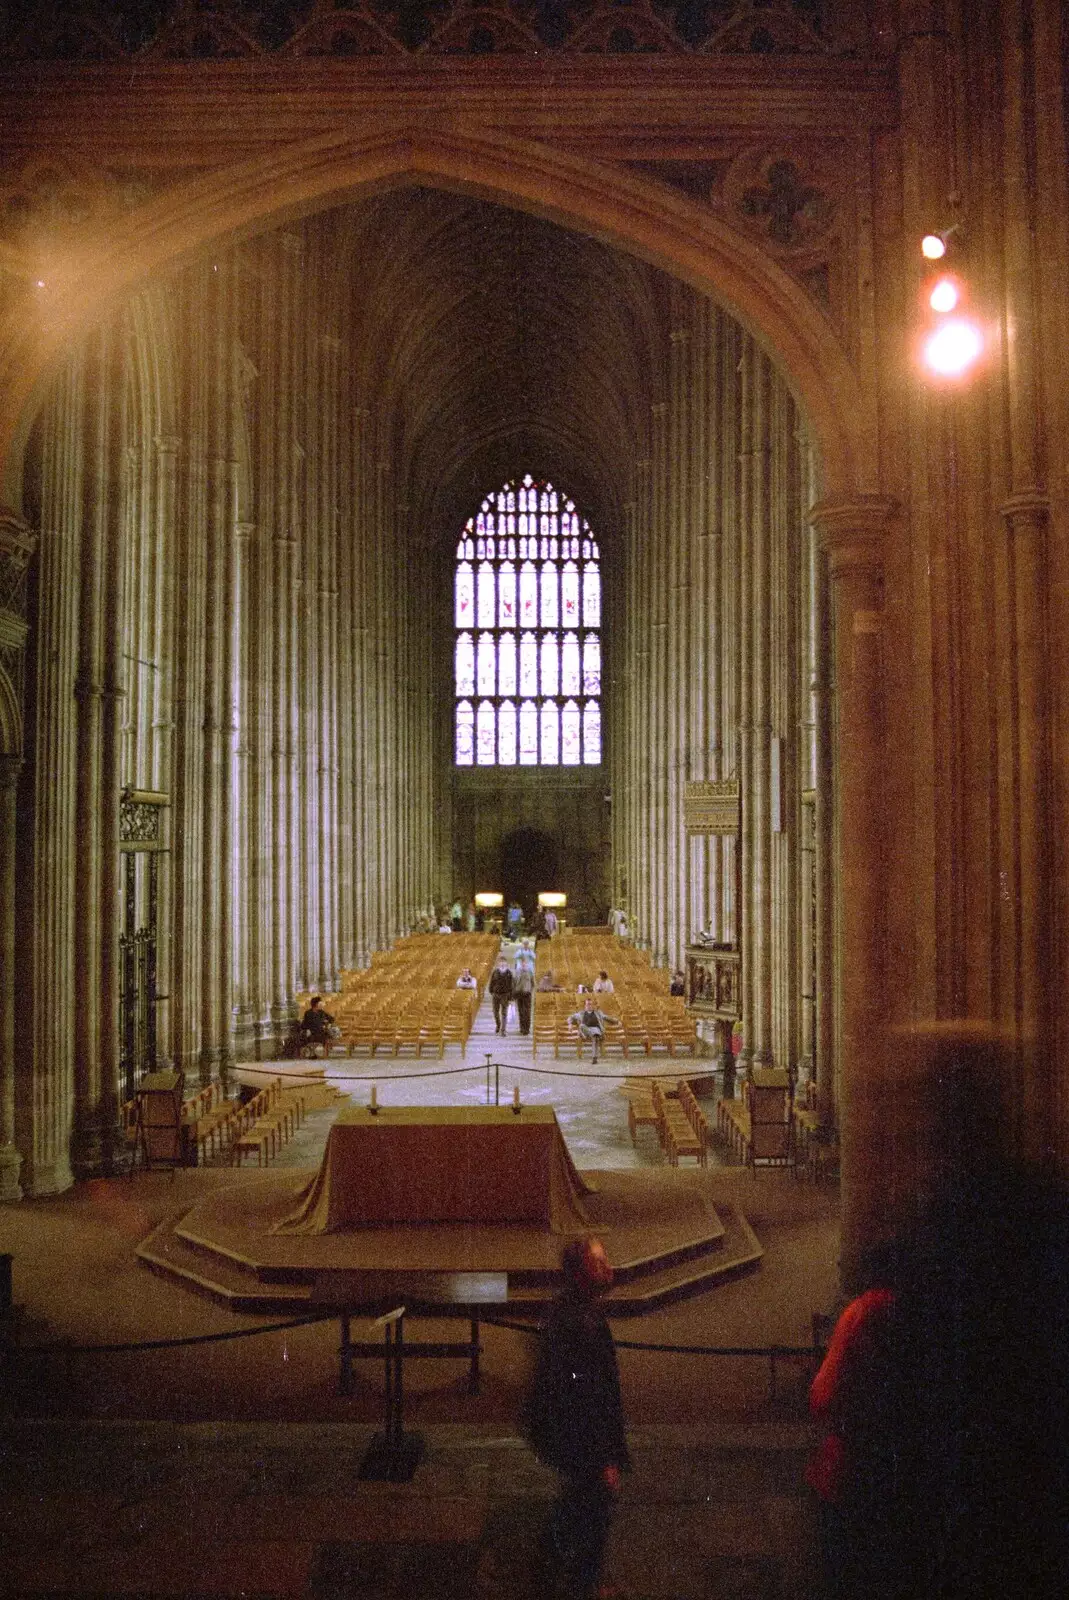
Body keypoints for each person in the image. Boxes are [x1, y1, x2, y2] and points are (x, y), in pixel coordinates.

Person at [522, 1236, 629, 1600]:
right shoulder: (581, 1322)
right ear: (583, 1272)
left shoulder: (571, 1309)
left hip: (570, 1436)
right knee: (594, 1511)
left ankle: (551, 1563)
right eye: (599, 1262)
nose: (609, 1267)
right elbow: (588, 1396)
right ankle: (584, 1584)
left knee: (577, 1502)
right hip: (583, 1439)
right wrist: (605, 1457)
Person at [567, 1000, 618, 1064]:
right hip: (585, 1031)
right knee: (582, 1025)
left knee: (595, 1037)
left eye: (591, 1004)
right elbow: (570, 1017)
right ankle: (594, 1035)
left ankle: (594, 1058)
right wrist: (570, 1024)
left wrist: (617, 1021)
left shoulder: (598, 1013)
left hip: (596, 1029)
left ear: (593, 1006)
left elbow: (607, 1018)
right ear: (585, 1006)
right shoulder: (581, 1013)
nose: (589, 1006)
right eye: (588, 1004)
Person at [488, 958, 513, 1035]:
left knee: (504, 1013)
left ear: (506, 964)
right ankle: (498, 1025)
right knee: (495, 1012)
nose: (502, 964)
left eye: (504, 963)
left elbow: (511, 985)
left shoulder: (509, 973)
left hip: (505, 995)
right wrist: (491, 991)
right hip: (496, 994)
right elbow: (491, 982)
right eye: (501, 963)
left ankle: (503, 1030)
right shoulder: (495, 972)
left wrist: (511, 997)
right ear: (498, 964)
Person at [512, 960, 534, 1036]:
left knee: (527, 1013)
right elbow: (514, 983)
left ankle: (526, 1029)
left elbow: (532, 983)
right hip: (519, 993)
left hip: (527, 994)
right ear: (521, 964)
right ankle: (521, 1028)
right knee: (521, 1012)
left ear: (527, 964)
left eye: (525, 964)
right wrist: (514, 994)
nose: (524, 965)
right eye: (522, 964)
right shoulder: (517, 972)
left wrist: (529, 991)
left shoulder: (530, 972)